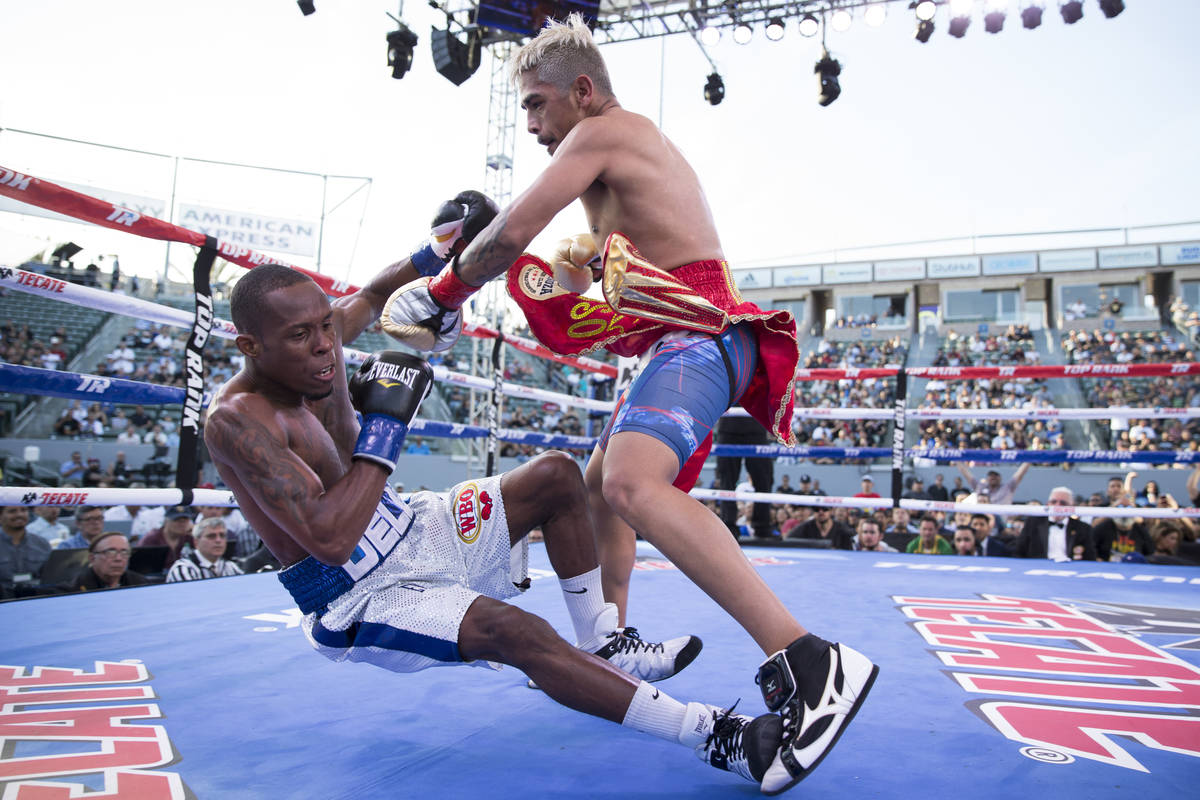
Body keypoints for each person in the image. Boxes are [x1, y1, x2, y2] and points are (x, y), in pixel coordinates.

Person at [378, 18, 877, 793]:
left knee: (630, 485)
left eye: (538, 104)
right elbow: (576, 277)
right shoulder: (614, 161)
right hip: (681, 337)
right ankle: (609, 638)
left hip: (700, 332)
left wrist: (444, 291)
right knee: (597, 487)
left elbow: (513, 231)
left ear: (582, 90)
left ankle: (809, 659)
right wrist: (548, 271)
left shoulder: (603, 132)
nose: (533, 126)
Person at [204, 248, 785, 783]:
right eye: (300, 335)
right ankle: (714, 735)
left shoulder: (320, 347)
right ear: (250, 346)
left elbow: (376, 296)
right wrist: (384, 430)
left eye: (325, 326)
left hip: (408, 524)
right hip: (357, 590)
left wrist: (444, 249)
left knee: (556, 475)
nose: (324, 344)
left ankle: (602, 641)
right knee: (516, 632)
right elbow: (330, 539)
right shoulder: (237, 420)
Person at [715, 415, 775, 540]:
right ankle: (728, 526)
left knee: (764, 478)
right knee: (727, 481)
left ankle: (762, 527)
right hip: (729, 428)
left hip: (756, 427)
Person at [1016, 487, 1096, 561]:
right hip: (1039, 567)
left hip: (1070, 568)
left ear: (1071, 506)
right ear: (1048, 504)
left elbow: (1090, 558)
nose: (1057, 506)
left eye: (1063, 503)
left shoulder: (1083, 528)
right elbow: (1019, 550)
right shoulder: (1033, 523)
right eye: (1054, 502)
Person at [59, 531, 148, 592]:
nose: (118, 558)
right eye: (110, 552)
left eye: (124, 552)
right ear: (92, 558)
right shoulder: (73, 590)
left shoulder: (141, 584)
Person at [166, 517, 244, 582]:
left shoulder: (230, 567)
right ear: (196, 542)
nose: (218, 540)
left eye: (222, 535)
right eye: (211, 536)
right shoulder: (183, 569)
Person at [0, 506, 52, 598]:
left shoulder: (42, 544)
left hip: (35, 599)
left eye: (23, 510)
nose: (19, 514)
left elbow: (50, 578)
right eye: (12, 511)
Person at [955, 463, 1029, 505]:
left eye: (996, 475)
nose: (993, 477)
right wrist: (956, 457)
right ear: (987, 478)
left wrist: (1030, 457)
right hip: (981, 519)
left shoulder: (1008, 488)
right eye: (991, 475)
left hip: (1000, 523)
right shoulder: (980, 486)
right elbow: (966, 473)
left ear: (1000, 477)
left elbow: (1020, 473)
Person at [787, 505, 853, 549]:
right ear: (813, 512)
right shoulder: (805, 527)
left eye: (825, 508)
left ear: (831, 511)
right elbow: (788, 540)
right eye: (817, 509)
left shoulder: (841, 528)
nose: (821, 512)